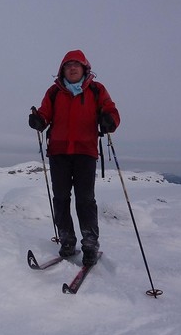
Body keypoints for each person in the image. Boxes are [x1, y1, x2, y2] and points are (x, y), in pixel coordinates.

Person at [28, 49, 120, 266]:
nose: (72, 68)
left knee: (85, 200)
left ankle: (90, 243)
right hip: (58, 152)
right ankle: (67, 240)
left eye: (76, 65)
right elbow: (45, 114)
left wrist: (109, 121)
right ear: (63, 70)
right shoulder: (53, 92)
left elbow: (111, 111)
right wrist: (38, 121)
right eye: (68, 66)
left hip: (85, 152)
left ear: (84, 68)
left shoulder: (97, 90)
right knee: (60, 198)